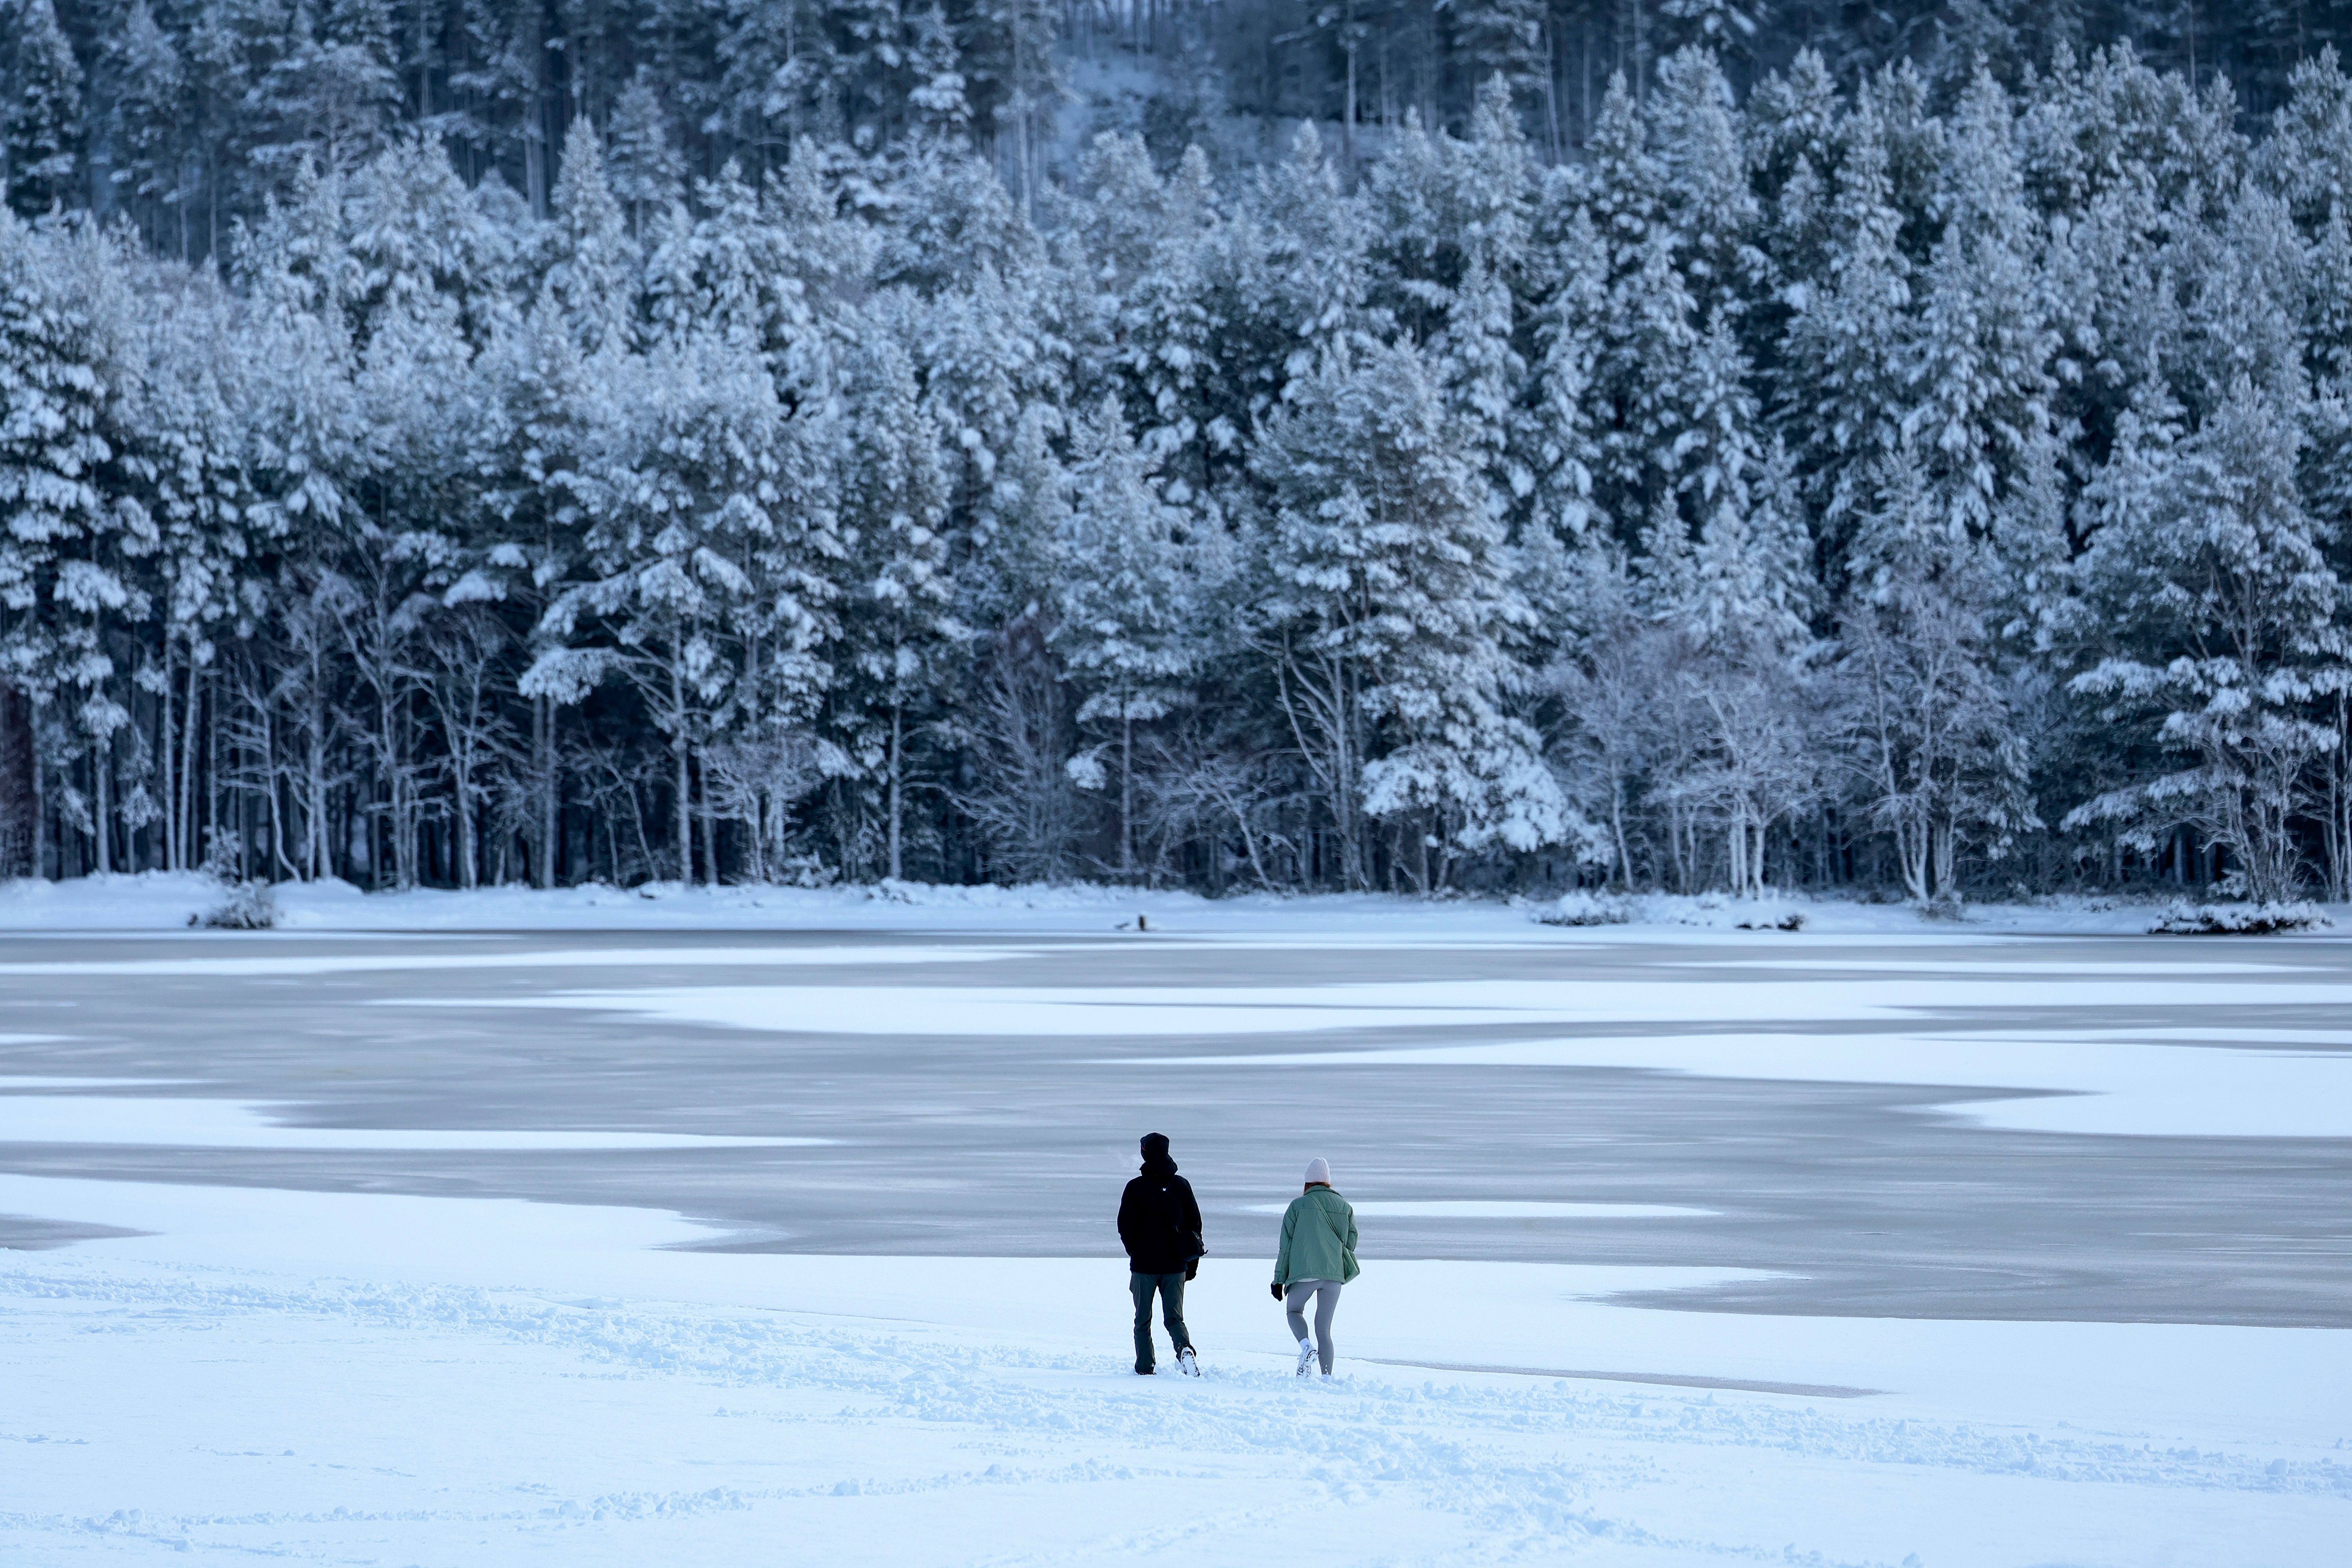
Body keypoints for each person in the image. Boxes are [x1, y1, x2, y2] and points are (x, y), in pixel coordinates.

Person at [1117, 1132, 1203, 1376]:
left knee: (1142, 1320)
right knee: (1175, 1319)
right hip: (1176, 1265)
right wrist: (1191, 1264)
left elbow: (1125, 1226)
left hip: (1144, 1265)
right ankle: (1185, 1349)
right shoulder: (1182, 1186)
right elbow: (1195, 1227)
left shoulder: (1135, 1188)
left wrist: (1134, 1251)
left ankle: (1145, 1366)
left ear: (1145, 1153)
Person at [1270, 1157, 1358, 1377]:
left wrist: (1279, 1279)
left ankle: (1306, 1348)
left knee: (1294, 1311)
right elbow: (1351, 1243)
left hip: (1305, 1274)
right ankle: (1327, 1378)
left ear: (1307, 1183)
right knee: (1325, 1330)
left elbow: (1286, 1247)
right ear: (1328, 1182)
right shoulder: (1345, 1207)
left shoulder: (1297, 1206)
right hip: (1334, 1276)